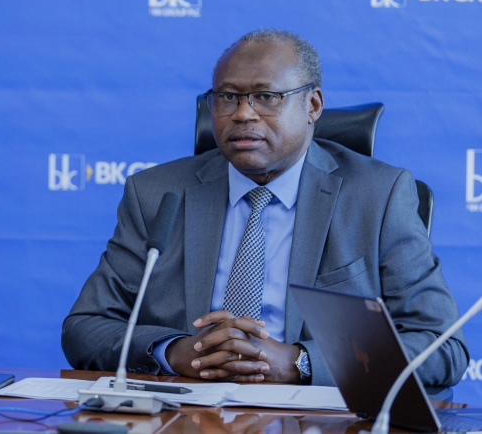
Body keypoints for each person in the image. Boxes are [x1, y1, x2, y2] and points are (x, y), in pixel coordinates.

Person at [62, 29, 468, 388]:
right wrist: (173, 352)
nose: (243, 113)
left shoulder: (377, 195)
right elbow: (85, 328)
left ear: (312, 106)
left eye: (266, 97)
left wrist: (300, 362)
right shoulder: (156, 193)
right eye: (227, 97)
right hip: (189, 412)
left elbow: (441, 346)